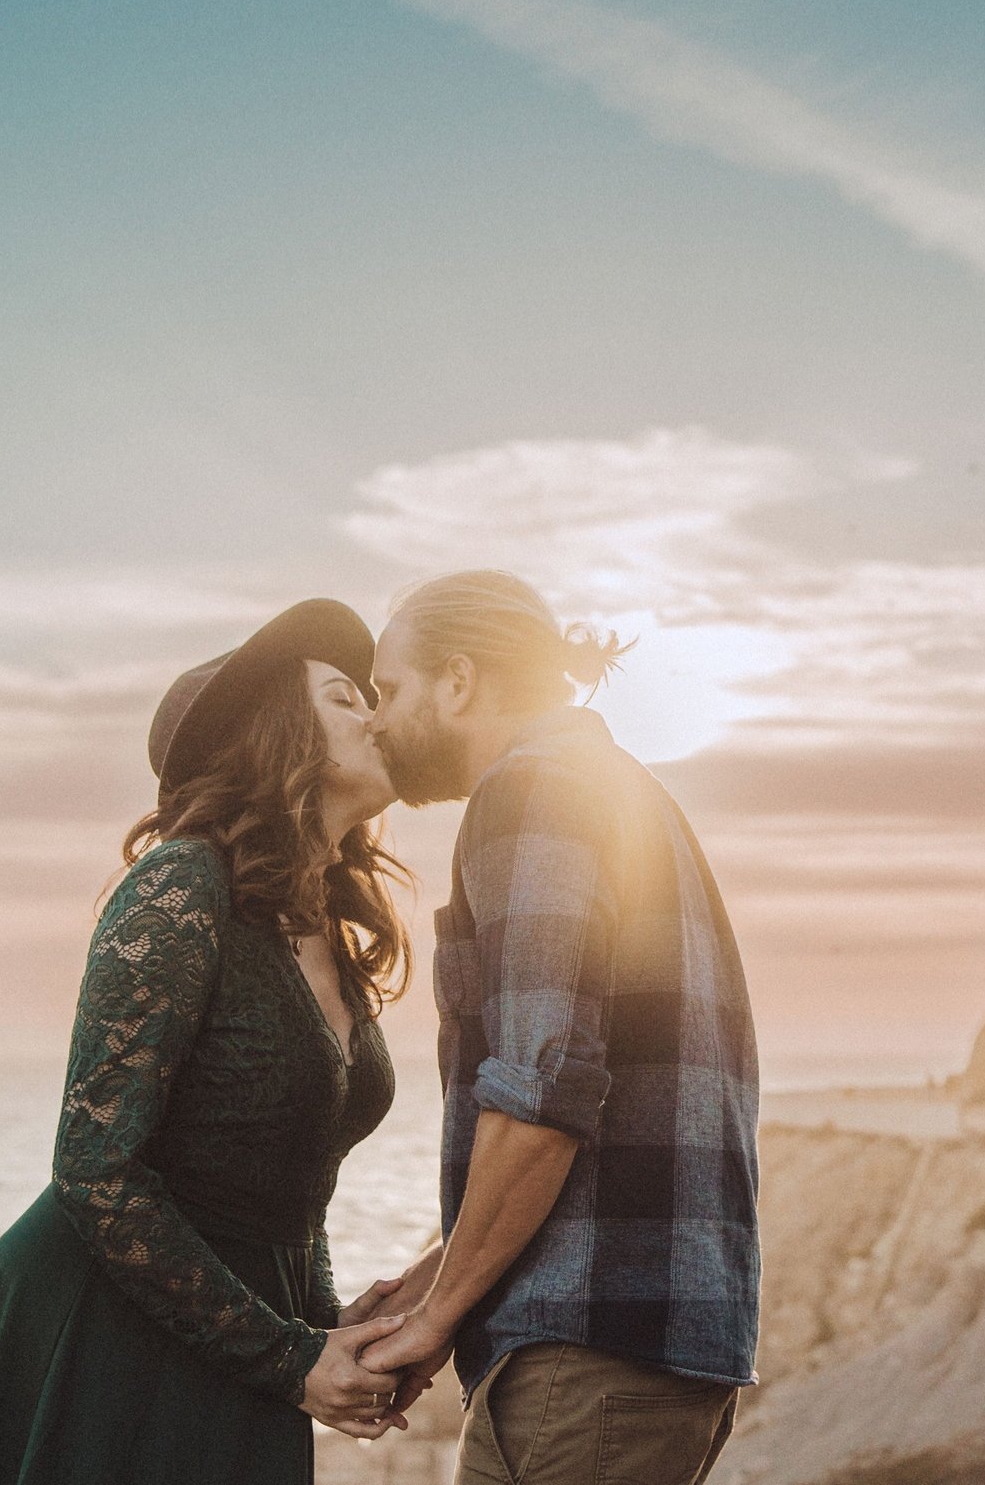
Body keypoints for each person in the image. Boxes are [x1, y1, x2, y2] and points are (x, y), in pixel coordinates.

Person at [0, 599, 416, 1485]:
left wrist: (327, 1330)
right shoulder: (181, 884)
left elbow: (296, 1188)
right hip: (100, 1324)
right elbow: (96, 1170)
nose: (376, 711)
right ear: (278, 733)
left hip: (242, 1333)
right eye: (343, 696)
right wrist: (288, 1355)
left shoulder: (324, 919)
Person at [354, 571, 760, 1485]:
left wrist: (437, 1316)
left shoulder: (532, 790)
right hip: (639, 1341)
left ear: (457, 680)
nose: (376, 718)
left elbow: (544, 1089)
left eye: (389, 689)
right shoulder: (622, 789)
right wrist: (431, 1280)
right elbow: (590, 1092)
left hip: (585, 1349)